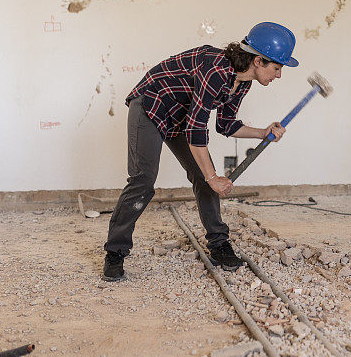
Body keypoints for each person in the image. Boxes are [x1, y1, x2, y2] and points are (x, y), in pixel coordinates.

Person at [102, 22, 298, 281]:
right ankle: (115, 252)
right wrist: (212, 177)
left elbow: (225, 124)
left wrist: (263, 132)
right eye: (277, 67)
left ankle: (218, 243)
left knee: (205, 177)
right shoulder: (217, 68)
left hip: (180, 116)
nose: (279, 75)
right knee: (143, 180)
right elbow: (196, 128)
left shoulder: (242, 82)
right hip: (151, 106)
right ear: (259, 61)